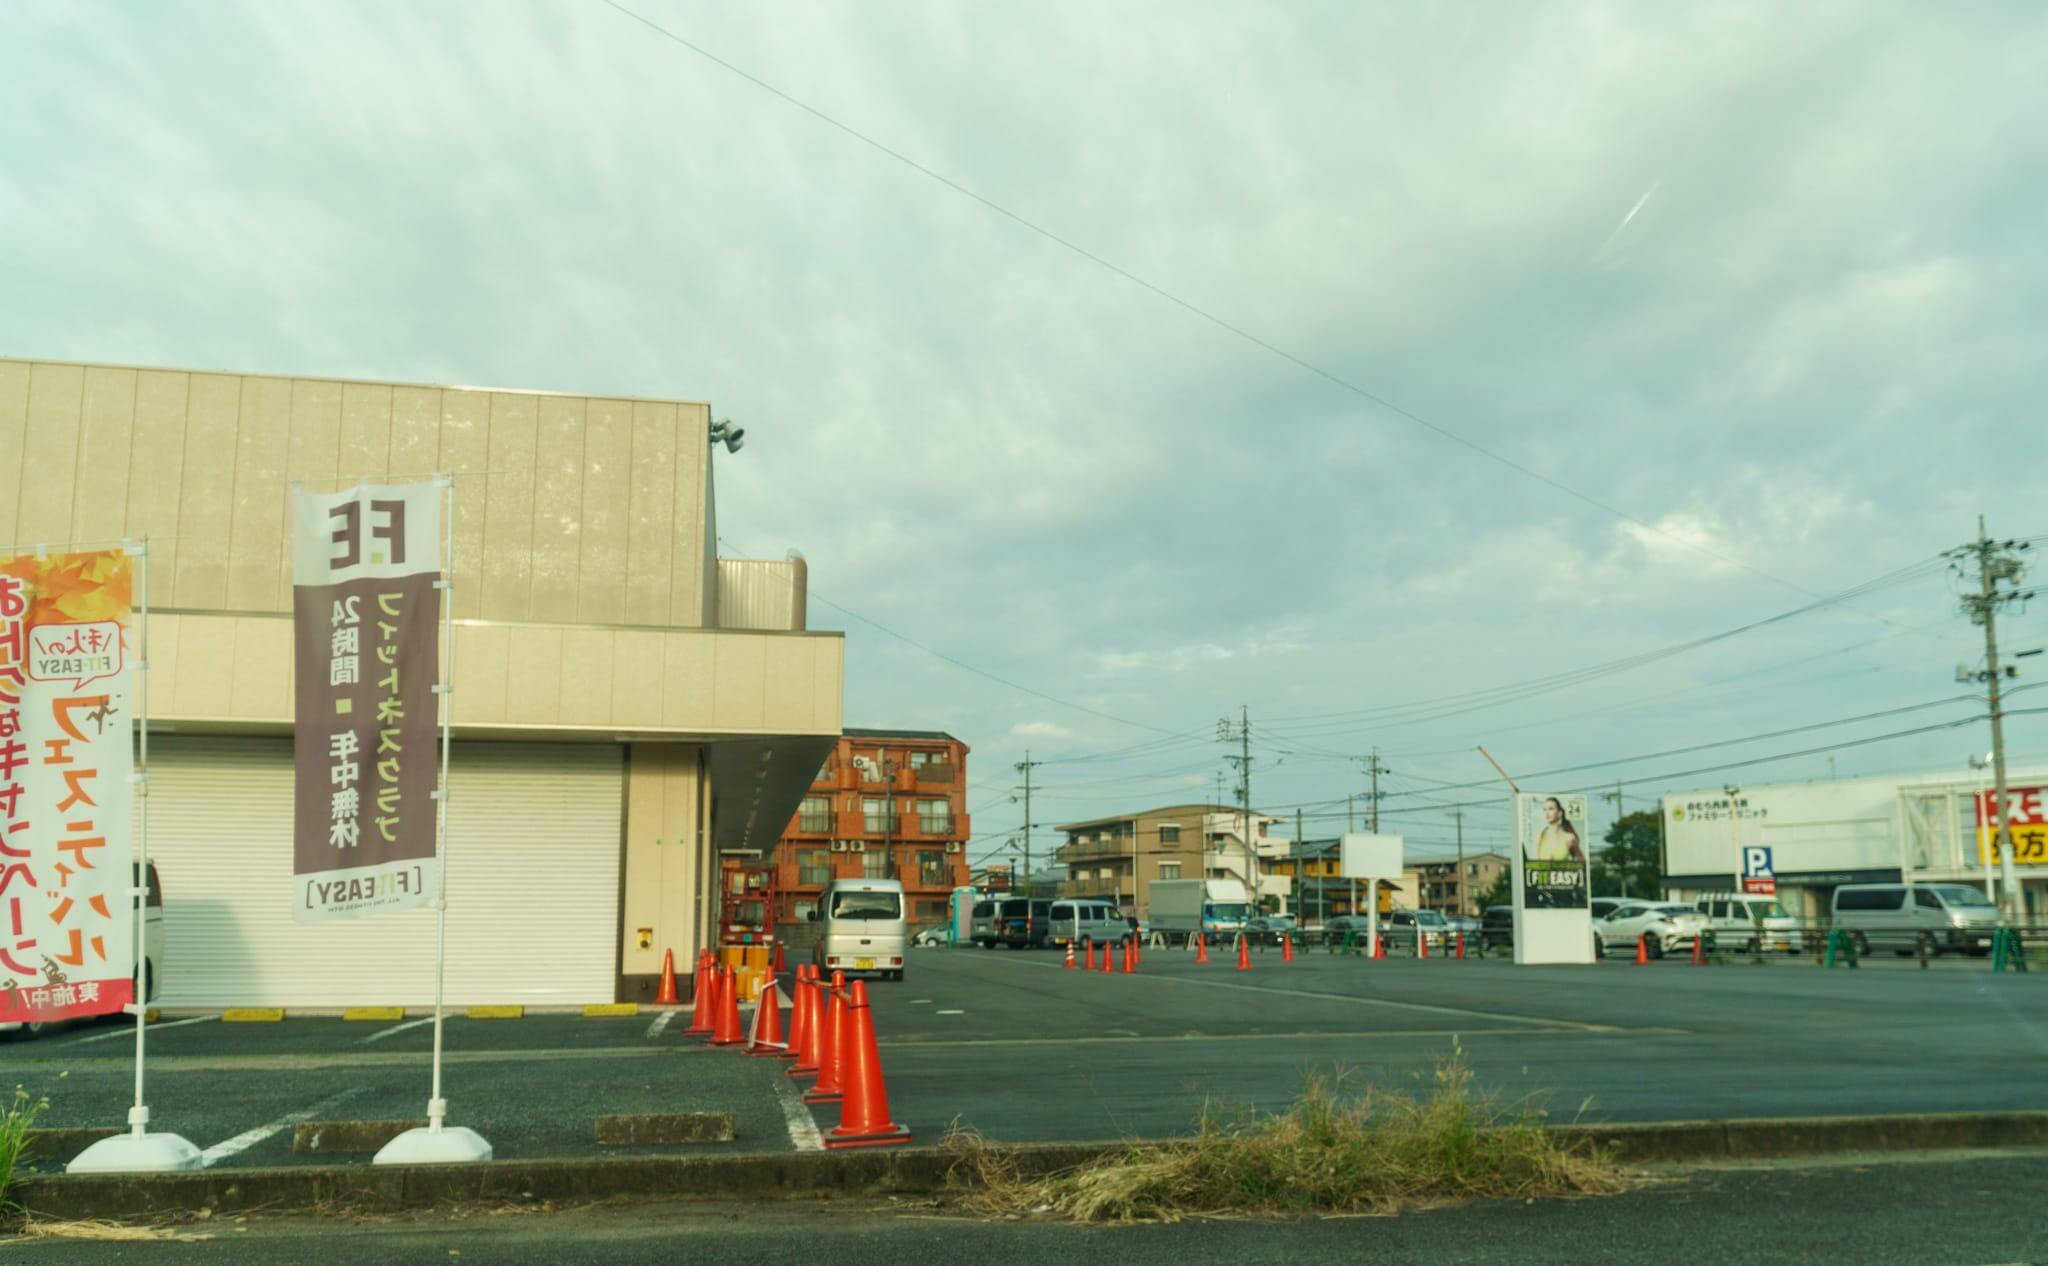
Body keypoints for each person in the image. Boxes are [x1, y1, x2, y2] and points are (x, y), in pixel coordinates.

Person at [1531, 797, 1584, 863]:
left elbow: (1582, 861)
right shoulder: (1540, 836)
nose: (1547, 813)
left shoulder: (1569, 837)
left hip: (1562, 873)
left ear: (1559, 813)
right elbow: (1535, 864)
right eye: (1544, 809)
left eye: (1551, 809)